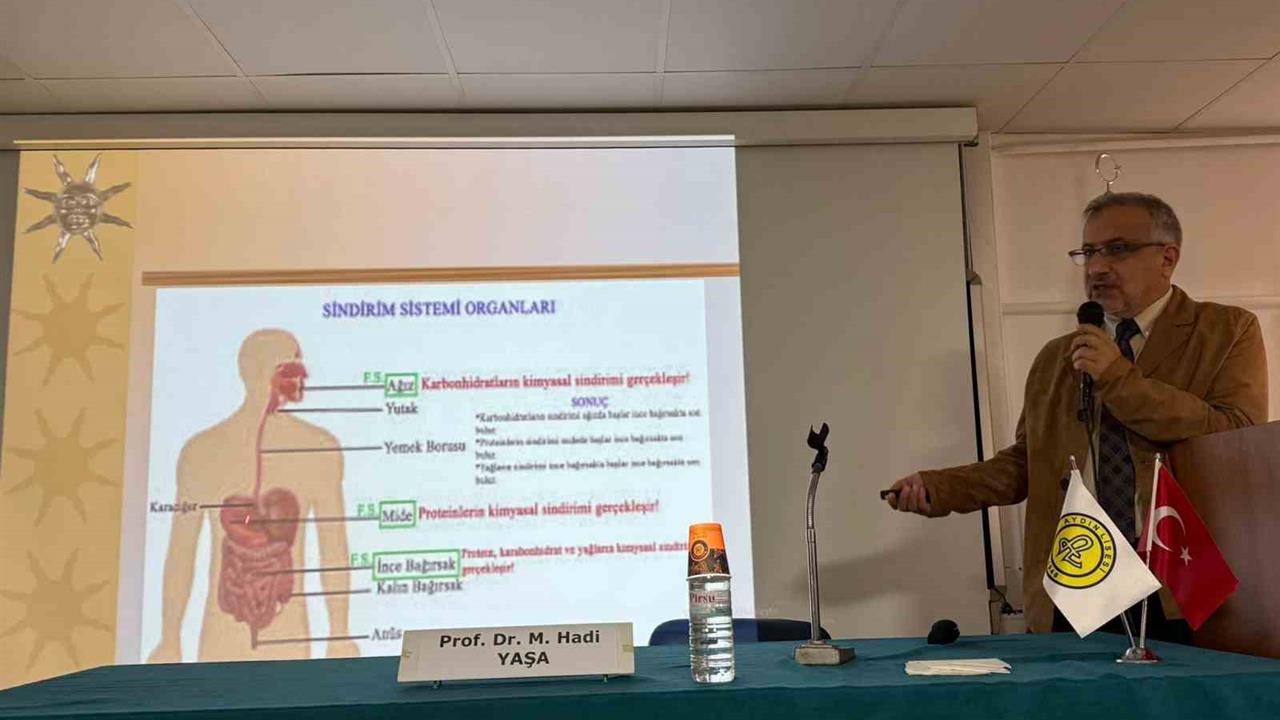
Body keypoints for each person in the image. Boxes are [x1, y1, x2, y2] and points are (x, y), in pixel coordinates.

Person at [886, 192, 1268, 638]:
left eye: (1118, 249)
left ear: (1167, 258)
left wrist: (1117, 378)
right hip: (1079, 579)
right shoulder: (1057, 358)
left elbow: (1236, 436)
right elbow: (1027, 464)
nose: (1097, 267)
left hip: (1180, 579)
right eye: (1089, 252)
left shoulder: (1226, 331)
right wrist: (939, 488)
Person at [149, 329, 358, 661]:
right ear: (265, 374)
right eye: (293, 368)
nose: (304, 377)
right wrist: (170, 639)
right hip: (222, 638)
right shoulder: (201, 452)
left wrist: (340, 634)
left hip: (288, 638)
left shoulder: (320, 449)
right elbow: (181, 552)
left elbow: (333, 550)